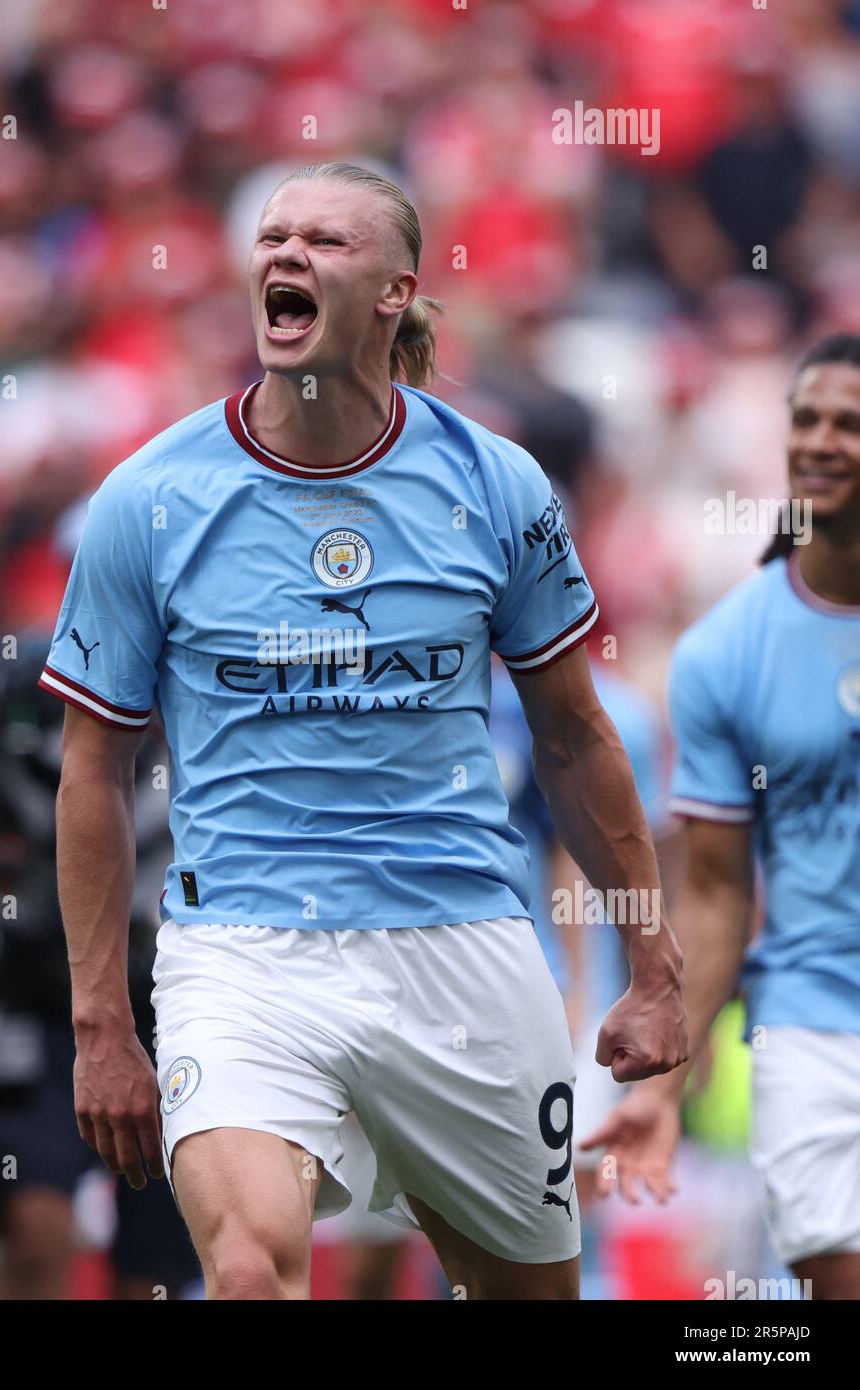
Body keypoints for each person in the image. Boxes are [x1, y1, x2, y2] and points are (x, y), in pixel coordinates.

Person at [42, 162, 688, 1301]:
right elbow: (92, 769)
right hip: (240, 949)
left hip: (460, 947)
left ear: (395, 291)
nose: (284, 257)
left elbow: (575, 738)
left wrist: (650, 959)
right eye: (272, 238)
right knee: (247, 1273)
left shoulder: (496, 486)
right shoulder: (146, 499)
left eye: (322, 243)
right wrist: (101, 1020)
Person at [582, 334, 860, 1300]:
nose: (822, 442)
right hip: (810, 1024)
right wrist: (663, 1090)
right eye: (807, 420)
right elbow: (710, 895)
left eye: (849, 424)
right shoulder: (723, 655)